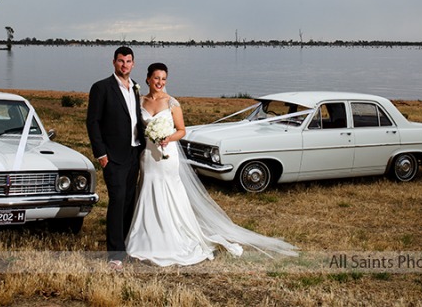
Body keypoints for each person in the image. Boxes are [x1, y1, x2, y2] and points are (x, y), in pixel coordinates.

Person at [126, 62, 297, 267]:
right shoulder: (140, 101)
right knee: (147, 188)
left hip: (167, 155)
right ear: (148, 79)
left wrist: (168, 138)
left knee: (168, 191)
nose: (160, 82)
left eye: (163, 79)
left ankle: (173, 235)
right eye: (156, 78)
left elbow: (181, 130)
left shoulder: (172, 103)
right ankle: (145, 236)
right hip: (148, 155)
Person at [86, 46, 145, 270]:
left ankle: (126, 246)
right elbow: (93, 122)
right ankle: (115, 255)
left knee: (129, 201)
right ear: (114, 62)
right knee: (117, 201)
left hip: (133, 152)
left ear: (133, 64)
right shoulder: (102, 88)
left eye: (128, 61)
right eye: (121, 61)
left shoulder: (135, 88)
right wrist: (101, 154)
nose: (124, 65)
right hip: (113, 156)